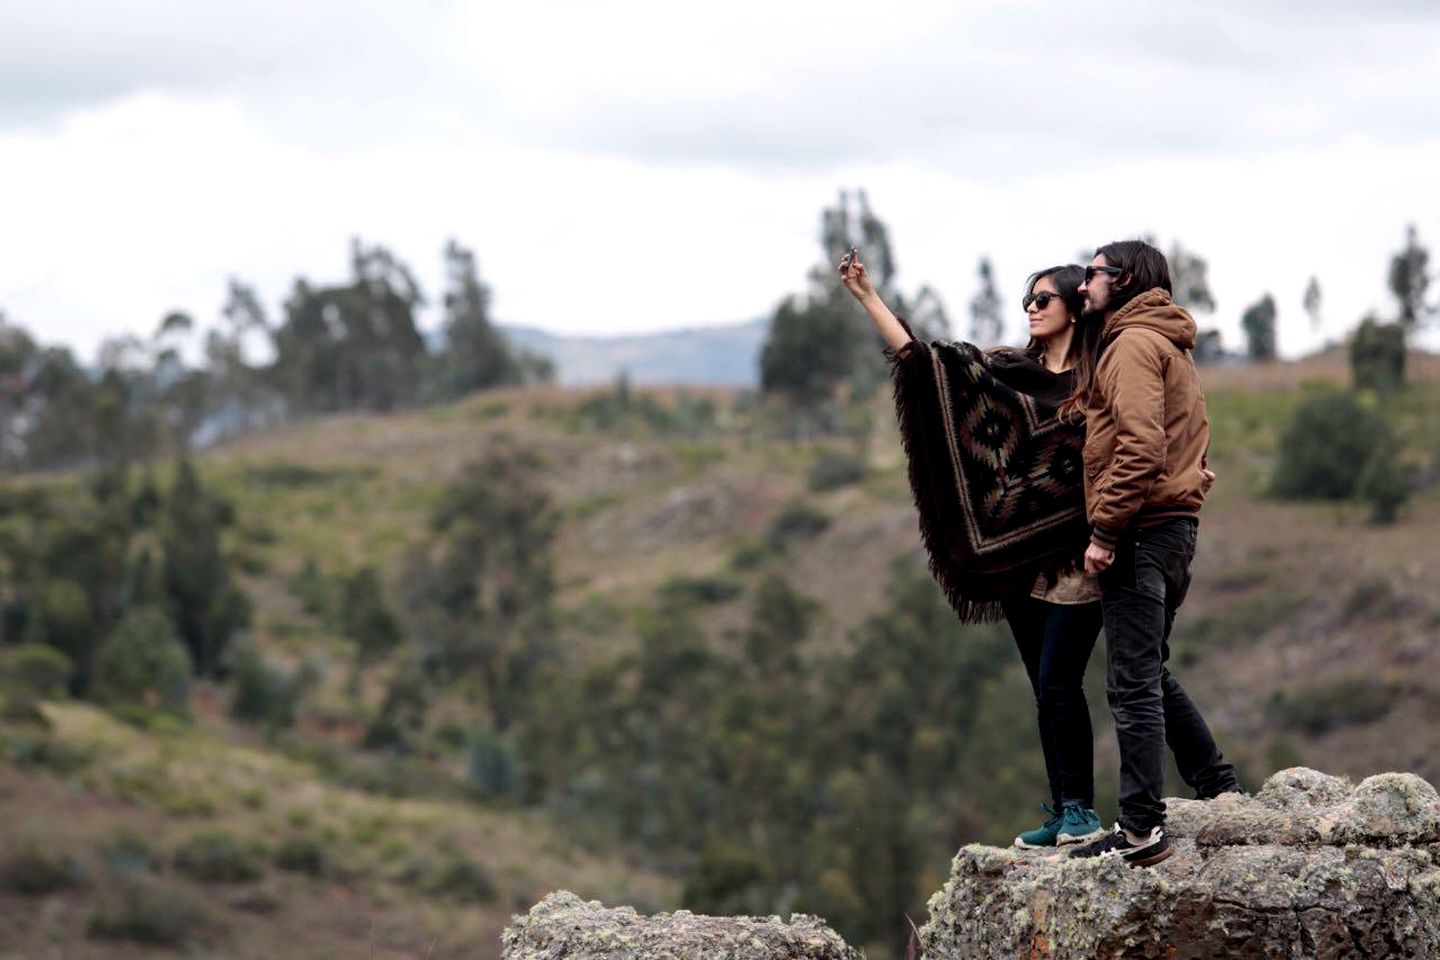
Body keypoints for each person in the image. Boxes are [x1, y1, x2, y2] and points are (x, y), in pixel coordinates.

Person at [839, 251, 1108, 848]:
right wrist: (867, 297)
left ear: (1074, 308)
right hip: (1018, 561)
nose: (1032, 309)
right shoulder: (1008, 370)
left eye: (1044, 300)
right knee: (1044, 688)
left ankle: (1084, 812)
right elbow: (923, 362)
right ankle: (1065, 808)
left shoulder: (1101, 381)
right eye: (1027, 301)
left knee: (1062, 681)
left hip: (1079, 556)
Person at [1066, 239, 1240, 868]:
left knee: (1131, 681)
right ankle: (1218, 785)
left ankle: (1141, 828)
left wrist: (1105, 532)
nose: (1084, 286)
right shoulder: (1168, 343)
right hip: (1173, 527)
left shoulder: (1133, 345)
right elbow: (1189, 439)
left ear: (1127, 279)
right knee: (1150, 670)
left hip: (1140, 531)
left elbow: (1140, 445)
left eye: (1094, 275)